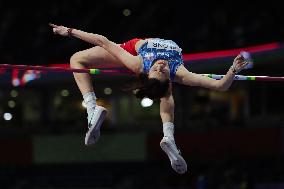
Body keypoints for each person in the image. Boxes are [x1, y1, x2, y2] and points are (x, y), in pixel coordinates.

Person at [49, 23, 249, 174]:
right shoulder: (177, 71)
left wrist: (68, 31)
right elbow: (220, 85)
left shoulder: (139, 64)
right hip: (144, 56)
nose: (160, 66)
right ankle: (168, 136)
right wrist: (233, 69)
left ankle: (93, 111)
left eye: (157, 70)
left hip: (129, 49)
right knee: (166, 88)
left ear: (147, 73)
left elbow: (104, 41)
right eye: (161, 70)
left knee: (76, 59)